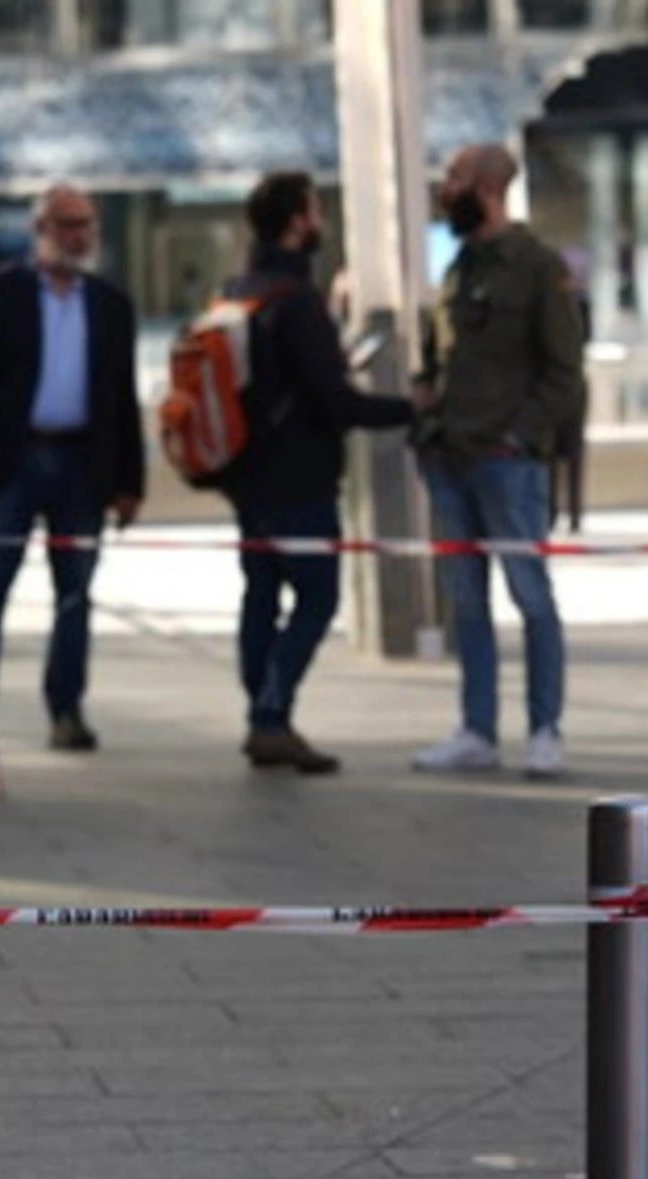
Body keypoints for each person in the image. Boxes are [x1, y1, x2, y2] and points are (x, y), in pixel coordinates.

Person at [218, 171, 417, 774]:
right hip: (299, 481)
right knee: (317, 596)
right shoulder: (297, 302)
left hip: (245, 476)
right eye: (315, 210)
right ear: (296, 222)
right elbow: (336, 403)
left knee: (260, 595)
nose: (321, 221)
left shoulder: (239, 291)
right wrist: (410, 408)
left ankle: (262, 716)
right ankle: (270, 718)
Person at [0, 184, 145, 753]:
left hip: (82, 465)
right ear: (41, 230)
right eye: (66, 224)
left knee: (75, 594)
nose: (78, 236)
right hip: (12, 462)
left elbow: (122, 398)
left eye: (86, 225)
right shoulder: (0, 291)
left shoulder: (110, 304)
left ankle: (66, 709)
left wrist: (129, 482)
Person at [412, 144, 586, 779]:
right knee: (466, 603)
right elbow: (437, 355)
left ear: (487, 187)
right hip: (451, 457)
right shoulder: (459, 267)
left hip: (508, 463)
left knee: (530, 595)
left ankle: (544, 729)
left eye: (455, 178)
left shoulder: (537, 267)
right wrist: (425, 402)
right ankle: (476, 729)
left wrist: (520, 435)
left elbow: (564, 371)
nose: (445, 189)